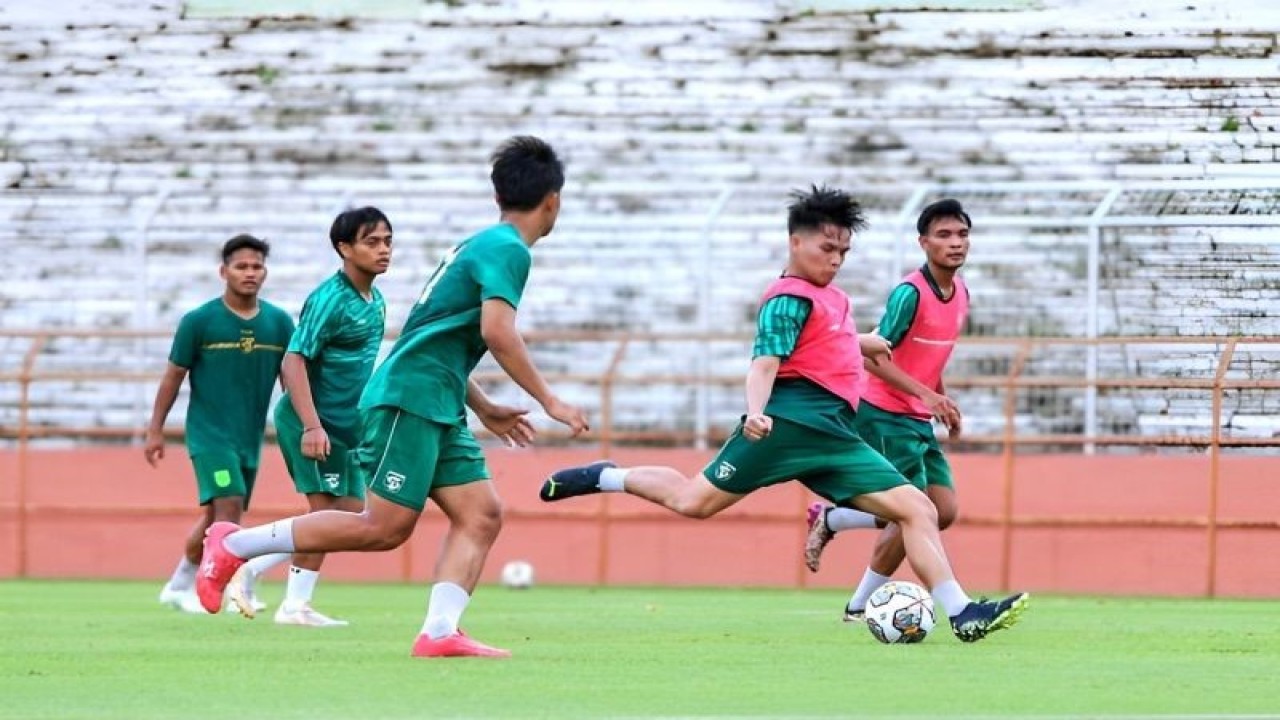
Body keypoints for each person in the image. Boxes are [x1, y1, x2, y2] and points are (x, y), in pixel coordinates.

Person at [540, 186, 1026, 643]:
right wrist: (755, 412)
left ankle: (962, 613)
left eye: (843, 252)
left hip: (835, 434)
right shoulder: (785, 299)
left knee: (918, 508)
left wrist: (861, 342)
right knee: (694, 502)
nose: (835, 259)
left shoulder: (833, 297)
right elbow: (766, 362)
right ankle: (608, 477)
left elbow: (821, 342)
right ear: (796, 242)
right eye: (826, 248)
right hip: (785, 427)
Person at [195, 135, 589, 658]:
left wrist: (484, 406)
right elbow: (499, 331)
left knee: (480, 513)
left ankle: (440, 632)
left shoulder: (483, 245)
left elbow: (433, 338)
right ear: (553, 201)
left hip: (436, 398)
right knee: (382, 528)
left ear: (499, 198)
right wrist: (550, 400)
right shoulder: (509, 250)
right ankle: (233, 544)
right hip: (411, 401)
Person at [802, 198, 974, 623]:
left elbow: (927, 358)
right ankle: (859, 607)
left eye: (962, 234)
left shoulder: (962, 293)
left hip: (916, 414)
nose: (955, 243)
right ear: (923, 243)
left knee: (944, 511)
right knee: (909, 514)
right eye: (944, 235)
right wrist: (927, 396)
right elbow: (875, 357)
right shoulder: (909, 294)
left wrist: (941, 400)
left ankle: (835, 518)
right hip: (882, 412)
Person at [226, 207, 394, 627]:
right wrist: (312, 425)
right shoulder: (330, 298)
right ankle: (293, 606)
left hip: (346, 426)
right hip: (312, 422)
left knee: (351, 517)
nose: (384, 250)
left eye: (388, 241)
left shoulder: (376, 301)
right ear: (344, 248)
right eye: (372, 242)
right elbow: (294, 361)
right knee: (324, 514)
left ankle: (248, 564)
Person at [146, 235, 295, 614]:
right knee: (228, 507)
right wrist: (155, 430)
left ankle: (179, 584)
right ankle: (226, 589)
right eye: (241, 266)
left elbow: (291, 379)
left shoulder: (278, 323)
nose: (250, 273)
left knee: (218, 517)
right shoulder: (199, 321)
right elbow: (172, 376)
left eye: (256, 266)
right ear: (223, 271)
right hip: (210, 434)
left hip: (249, 435)